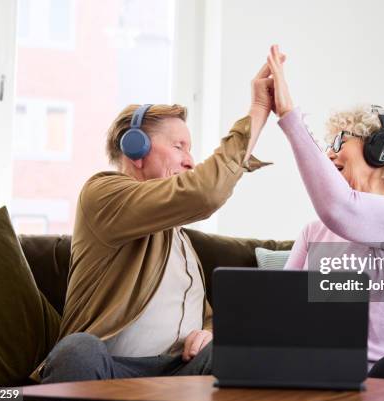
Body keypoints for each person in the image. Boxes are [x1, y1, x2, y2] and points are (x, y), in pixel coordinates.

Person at [30, 60, 280, 383]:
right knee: (77, 350)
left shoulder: (181, 240)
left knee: (230, 351)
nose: (190, 160)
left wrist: (208, 332)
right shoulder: (102, 194)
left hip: (179, 374)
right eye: (179, 147)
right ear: (135, 149)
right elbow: (204, 193)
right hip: (112, 370)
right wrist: (259, 108)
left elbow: (206, 316)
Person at [267, 45, 384, 382]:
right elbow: (279, 308)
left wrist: (289, 116)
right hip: (324, 369)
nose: (328, 152)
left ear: (380, 149)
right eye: (328, 142)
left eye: (340, 139)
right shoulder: (313, 231)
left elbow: (342, 209)